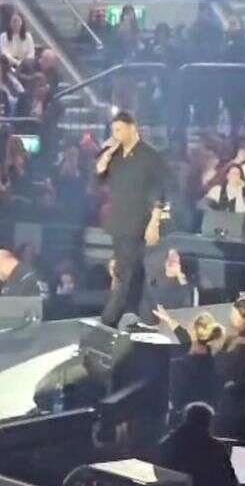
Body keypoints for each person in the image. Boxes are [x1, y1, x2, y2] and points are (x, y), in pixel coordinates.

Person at [95, 111, 167, 328]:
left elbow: (160, 190)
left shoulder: (150, 156)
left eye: (119, 129)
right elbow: (99, 174)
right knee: (133, 269)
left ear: (132, 128)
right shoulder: (115, 155)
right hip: (118, 220)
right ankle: (137, 313)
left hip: (138, 220)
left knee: (124, 269)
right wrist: (108, 152)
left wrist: (154, 222)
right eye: (113, 130)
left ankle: (110, 318)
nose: (115, 134)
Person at [156, 402, 239, 486]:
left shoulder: (170, 442)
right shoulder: (215, 447)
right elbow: (230, 479)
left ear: (186, 419)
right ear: (208, 422)